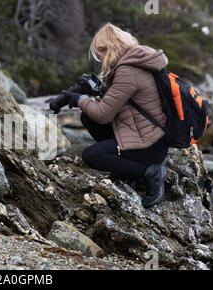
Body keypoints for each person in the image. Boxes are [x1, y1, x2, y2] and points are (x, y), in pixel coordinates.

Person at [51, 23, 169, 208]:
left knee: (92, 155)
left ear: (111, 48)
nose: (100, 59)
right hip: (153, 137)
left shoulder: (128, 71)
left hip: (149, 145)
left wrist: (80, 99)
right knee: (87, 117)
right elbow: (117, 102)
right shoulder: (136, 63)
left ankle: (150, 172)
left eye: (101, 52)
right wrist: (75, 94)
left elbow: (103, 115)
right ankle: (124, 168)